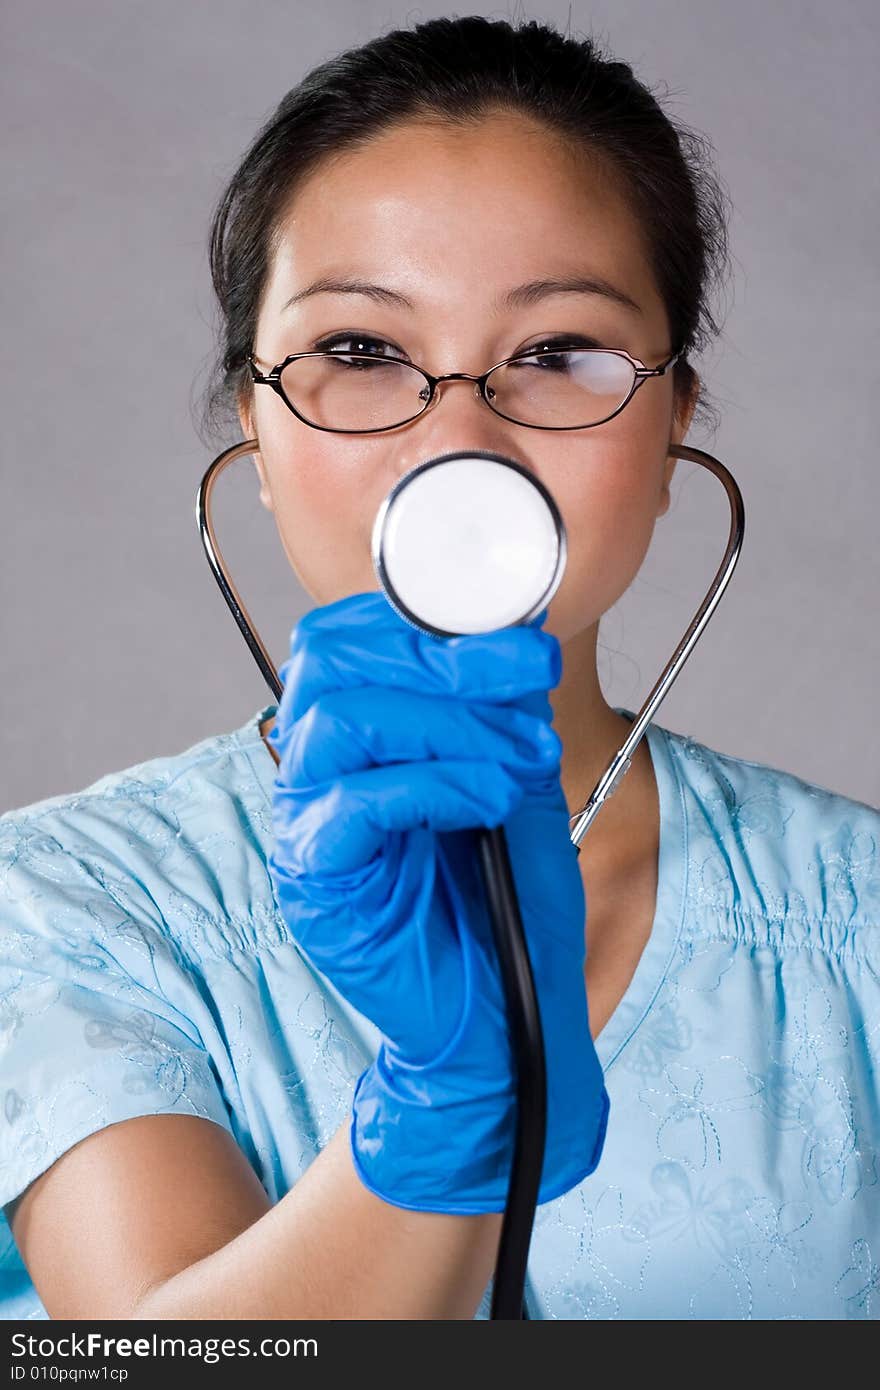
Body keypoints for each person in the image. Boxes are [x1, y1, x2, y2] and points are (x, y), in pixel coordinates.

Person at [1, 14, 877, 1322]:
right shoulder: (54, 910)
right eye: (360, 352)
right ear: (251, 412)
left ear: (678, 408)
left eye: (557, 353)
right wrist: (444, 1120)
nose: (461, 439)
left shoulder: (856, 925)